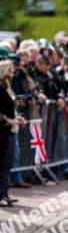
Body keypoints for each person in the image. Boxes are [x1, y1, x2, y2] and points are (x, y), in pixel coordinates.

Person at [0, 53, 25, 207]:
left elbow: (10, 108)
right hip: (2, 130)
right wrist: (10, 120)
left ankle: (4, 193)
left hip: (10, 130)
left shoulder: (8, 87)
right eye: (9, 69)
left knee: (8, 163)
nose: (13, 72)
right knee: (1, 163)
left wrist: (17, 117)